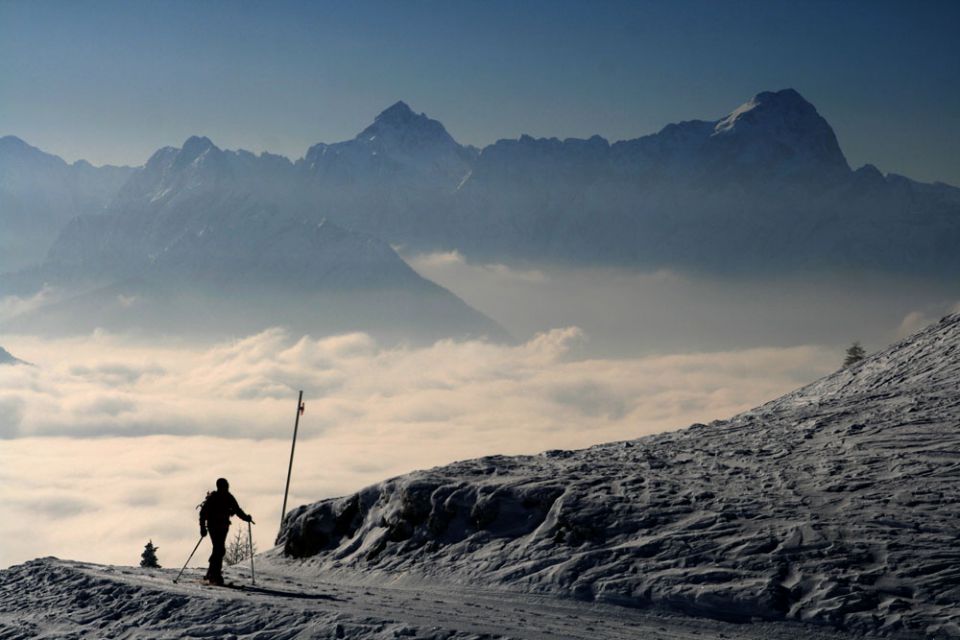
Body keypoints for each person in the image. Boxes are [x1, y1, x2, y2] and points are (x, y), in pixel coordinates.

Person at [199, 477, 254, 585]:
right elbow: (203, 513)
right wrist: (202, 528)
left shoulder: (224, 497)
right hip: (216, 527)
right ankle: (215, 575)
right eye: (226, 485)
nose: (227, 487)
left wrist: (246, 517)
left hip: (221, 527)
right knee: (219, 549)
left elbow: (237, 510)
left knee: (218, 549)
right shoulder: (220, 497)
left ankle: (211, 573)